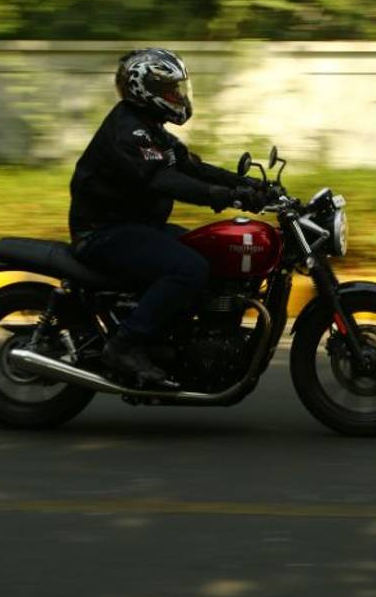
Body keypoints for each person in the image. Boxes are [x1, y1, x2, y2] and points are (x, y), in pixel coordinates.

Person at [69, 48, 266, 388]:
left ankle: (171, 336)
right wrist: (222, 197)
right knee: (188, 268)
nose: (178, 96)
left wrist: (248, 185)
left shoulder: (151, 128)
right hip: (104, 232)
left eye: (178, 88)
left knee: (208, 254)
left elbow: (192, 167)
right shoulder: (128, 132)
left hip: (137, 227)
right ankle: (125, 345)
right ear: (144, 90)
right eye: (170, 89)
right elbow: (161, 178)